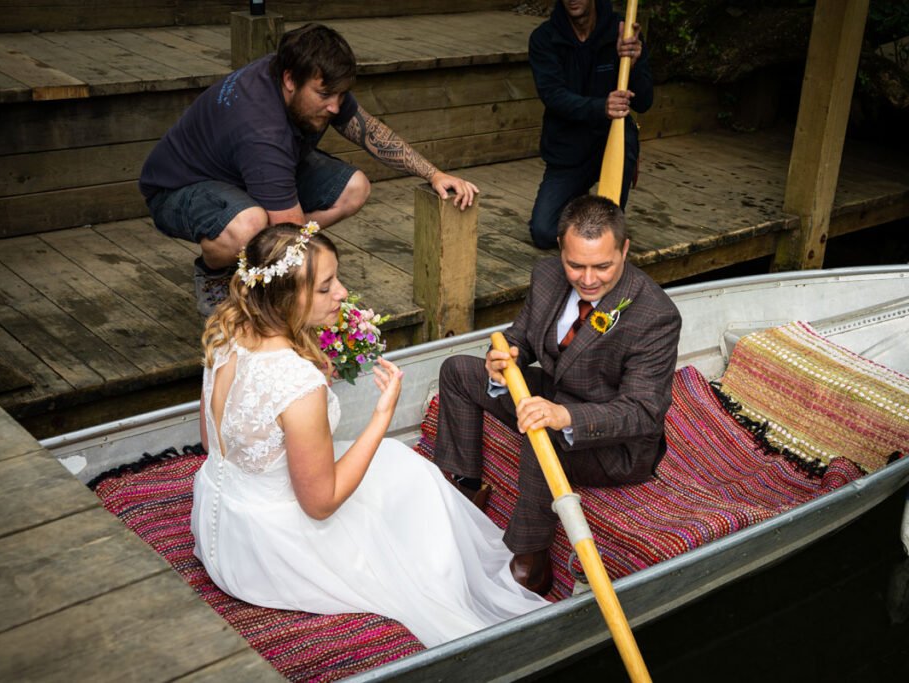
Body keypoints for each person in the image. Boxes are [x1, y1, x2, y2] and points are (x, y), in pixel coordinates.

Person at [190, 223, 547, 647]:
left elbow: (213, 445)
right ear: (287, 297)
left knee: (399, 467)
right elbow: (320, 505)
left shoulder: (227, 328)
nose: (341, 293)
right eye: (325, 288)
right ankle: (454, 582)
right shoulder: (295, 381)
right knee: (409, 473)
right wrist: (382, 415)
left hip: (221, 527)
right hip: (271, 554)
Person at [140, 23, 479, 316]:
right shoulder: (261, 131)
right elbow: (290, 230)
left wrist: (433, 173)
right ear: (290, 79)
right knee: (251, 225)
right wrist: (334, 296)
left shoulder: (304, 74)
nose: (335, 106)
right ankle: (214, 272)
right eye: (325, 95)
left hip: (247, 174)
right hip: (180, 188)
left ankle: (262, 254)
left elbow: (369, 130)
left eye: (341, 95)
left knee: (355, 188)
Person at [433, 195, 681, 595]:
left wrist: (564, 417)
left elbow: (642, 413)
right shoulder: (547, 275)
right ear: (561, 251)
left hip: (615, 444)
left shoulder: (656, 315)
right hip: (557, 391)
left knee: (540, 428)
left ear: (625, 250)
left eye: (602, 266)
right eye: (575, 264)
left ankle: (530, 556)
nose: (587, 279)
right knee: (459, 371)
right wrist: (507, 354)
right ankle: (465, 488)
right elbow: (524, 336)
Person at [527, 0, 652, 249]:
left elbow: (645, 101)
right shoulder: (544, 38)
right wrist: (600, 107)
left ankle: (609, 207)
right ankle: (582, 199)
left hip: (610, 146)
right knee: (543, 232)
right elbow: (554, 96)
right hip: (568, 151)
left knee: (603, 234)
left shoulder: (622, 33)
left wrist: (633, 64)